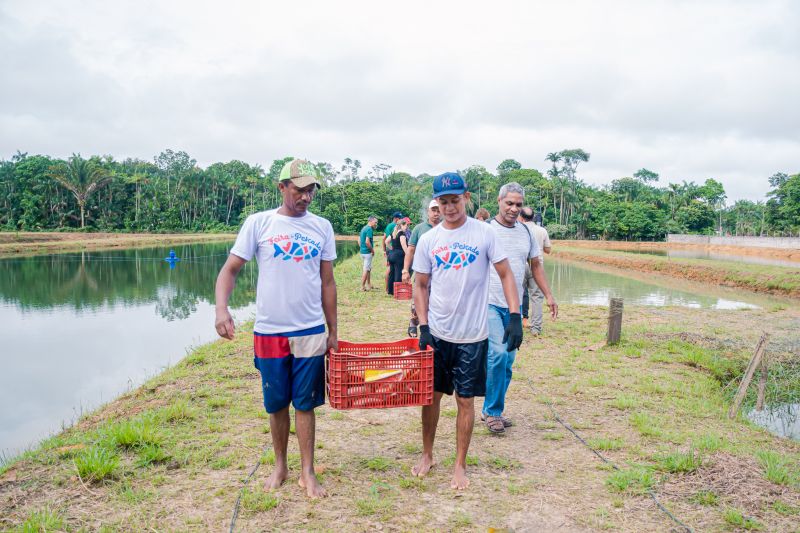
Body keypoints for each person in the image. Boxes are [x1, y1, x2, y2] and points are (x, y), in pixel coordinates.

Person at [214, 158, 337, 499]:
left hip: (310, 330)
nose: (306, 197)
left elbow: (328, 282)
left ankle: (308, 471)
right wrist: (221, 309)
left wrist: (333, 330)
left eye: (311, 190)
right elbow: (230, 269)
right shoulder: (259, 223)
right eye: (299, 190)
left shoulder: (322, 227)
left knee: (305, 403)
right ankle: (280, 465)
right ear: (282, 187)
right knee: (276, 402)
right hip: (269, 331)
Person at [411, 172, 522, 490]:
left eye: (455, 201)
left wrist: (515, 315)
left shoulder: (484, 233)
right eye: (443, 202)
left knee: (465, 401)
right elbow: (420, 284)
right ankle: (427, 454)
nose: (449, 208)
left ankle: (460, 465)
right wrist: (423, 325)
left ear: (467, 198)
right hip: (438, 334)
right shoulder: (430, 239)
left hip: (473, 336)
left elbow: (506, 274)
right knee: (430, 398)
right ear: (437, 203)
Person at [483, 184, 558, 434]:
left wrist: (548, 295)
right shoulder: (486, 230)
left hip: (514, 306)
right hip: (489, 303)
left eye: (518, 204)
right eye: (509, 203)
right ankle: (493, 412)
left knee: (507, 361)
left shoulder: (526, 232)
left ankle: (490, 409)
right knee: (497, 354)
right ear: (499, 201)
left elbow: (535, 265)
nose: (514, 209)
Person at [402, 199, 440, 337]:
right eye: (433, 210)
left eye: (438, 210)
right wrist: (405, 270)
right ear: (428, 212)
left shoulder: (447, 228)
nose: (436, 213)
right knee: (420, 300)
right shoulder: (419, 229)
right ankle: (414, 321)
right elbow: (411, 250)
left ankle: (432, 329)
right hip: (422, 271)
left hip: (440, 273)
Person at [520, 207, 552, 334]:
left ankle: (516, 322)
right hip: (537, 265)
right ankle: (536, 328)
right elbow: (548, 250)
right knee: (537, 297)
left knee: (516, 294)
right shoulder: (542, 230)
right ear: (533, 217)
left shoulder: (518, 229)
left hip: (521, 265)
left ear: (521, 217)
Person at [386, 218, 410, 295]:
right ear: (402, 225)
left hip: (391, 255)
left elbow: (386, 242)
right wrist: (408, 254)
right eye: (406, 225)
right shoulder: (401, 234)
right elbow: (403, 245)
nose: (407, 227)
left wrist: (392, 249)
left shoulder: (394, 233)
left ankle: (390, 291)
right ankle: (397, 291)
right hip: (399, 256)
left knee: (392, 273)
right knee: (398, 273)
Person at [383, 212, 403, 294]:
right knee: (395, 271)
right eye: (400, 218)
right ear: (396, 218)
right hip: (396, 250)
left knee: (391, 270)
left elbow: (385, 238)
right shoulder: (396, 228)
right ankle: (394, 290)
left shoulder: (389, 226)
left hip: (391, 250)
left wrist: (386, 250)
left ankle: (389, 289)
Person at [359, 215, 378, 291]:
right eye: (375, 222)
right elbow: (367, 242)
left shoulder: (364, 228)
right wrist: (372, 250)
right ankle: (362, 287)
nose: (376, 224)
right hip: (367, 252)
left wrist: (361, 248)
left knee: (368, 268)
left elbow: (359, 240)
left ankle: (369, 284)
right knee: (366, 269)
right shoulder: (369, 229)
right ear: (371, 221)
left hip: (362, 252)